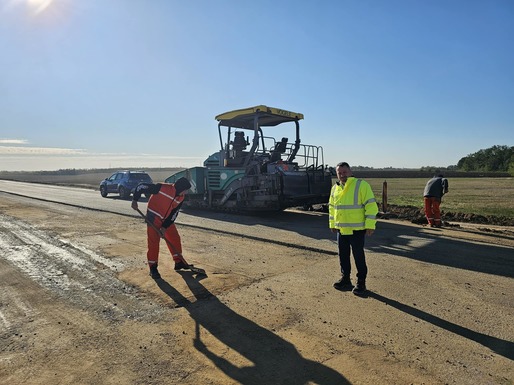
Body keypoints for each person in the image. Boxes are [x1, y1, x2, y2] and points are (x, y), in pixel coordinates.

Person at [329, 162, 378, 296]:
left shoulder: (361, 185)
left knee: (358, 256)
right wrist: (333, 224)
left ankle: (361, 282)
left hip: (357, 229)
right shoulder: (335, 188)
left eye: (344, 172)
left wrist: (370, 225)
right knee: (343, 255)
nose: (342, 175)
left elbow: (371, 206)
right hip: (341, 229)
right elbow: (332, 207)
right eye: (339, 173)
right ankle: (345, 279)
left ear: (350, 172)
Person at [131, 177, 191, 279]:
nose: (186, 192)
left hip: (166, 220)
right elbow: (140, 187)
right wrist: (135, 200)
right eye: (185, 189)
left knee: (174, 238)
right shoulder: (161, 188)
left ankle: (178, 262)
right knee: (154, 243)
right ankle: (153, 268)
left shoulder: (181, 197)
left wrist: (164, 227)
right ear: (181, 188)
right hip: (153, 218)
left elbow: (174, 214)